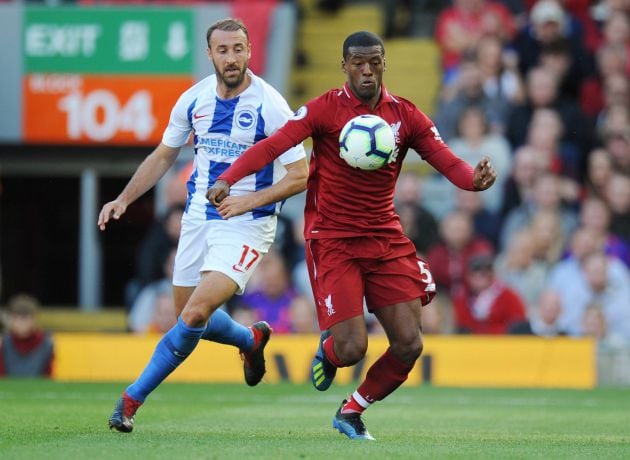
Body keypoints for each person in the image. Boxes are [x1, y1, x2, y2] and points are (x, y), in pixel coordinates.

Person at [207, 31, 497, 440]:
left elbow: (447, 161)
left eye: (374, 61)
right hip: (333, 241)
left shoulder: (405, 115)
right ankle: (329, 348)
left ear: (384, 64)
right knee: (351, 349)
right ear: (344, 66)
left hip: (385, 238)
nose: (367, 70)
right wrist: (228, 177)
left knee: (410, 344)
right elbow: (273, 146)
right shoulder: (324, 109)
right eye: (358, 62)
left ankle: (352, 410)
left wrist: (474, 180)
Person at [97, 18, 308, 433]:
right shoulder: (193, 100)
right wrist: (123, 198)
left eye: (239, 49)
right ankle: (250, 340)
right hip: (198, 218)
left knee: (193, 315)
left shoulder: (270, 104)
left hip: (247, 222)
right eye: (223, 50)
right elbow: (163, 154)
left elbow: (300, 175)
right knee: (188, 319)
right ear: (209, 54)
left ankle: (129, 400)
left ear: (249, 51)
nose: (232, 58)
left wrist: (248, 201)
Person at [0, 294, 54, 377]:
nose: (22, 323)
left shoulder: (47, 343)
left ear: (34, 319)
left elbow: (47, 376)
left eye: (25, 318)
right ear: (11, 320)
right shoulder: (4, 343)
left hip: (38, 388)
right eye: (17, 318)